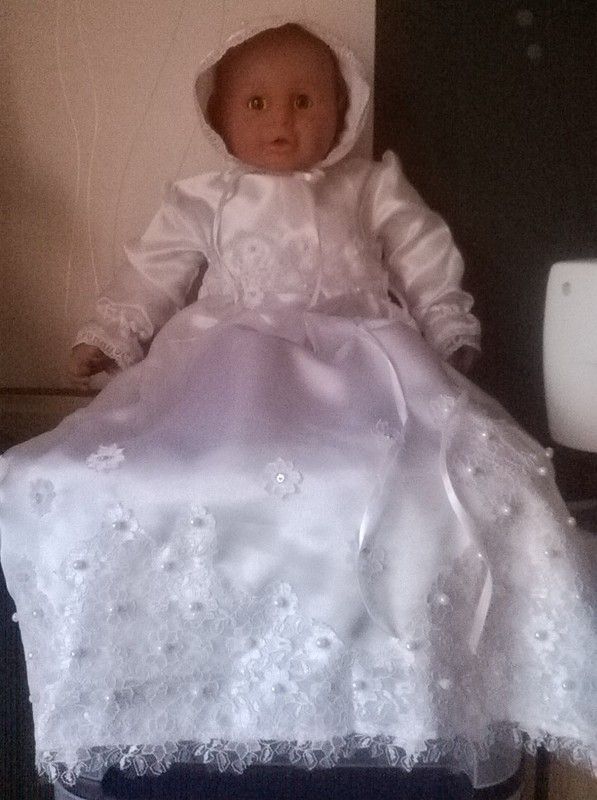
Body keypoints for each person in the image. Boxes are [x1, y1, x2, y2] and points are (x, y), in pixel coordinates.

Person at [1, 18, 594, 800]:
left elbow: (422, 254)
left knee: (447, 460)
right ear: (218, 116)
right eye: (256, 102)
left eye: (306, 100)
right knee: (158, 461)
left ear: (343, 109)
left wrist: (448, 327)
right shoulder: (202, 198)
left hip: (364, 353)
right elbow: (154, 272)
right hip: (227, 358)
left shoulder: (370, 186)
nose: (281, 119)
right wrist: (111, 334)